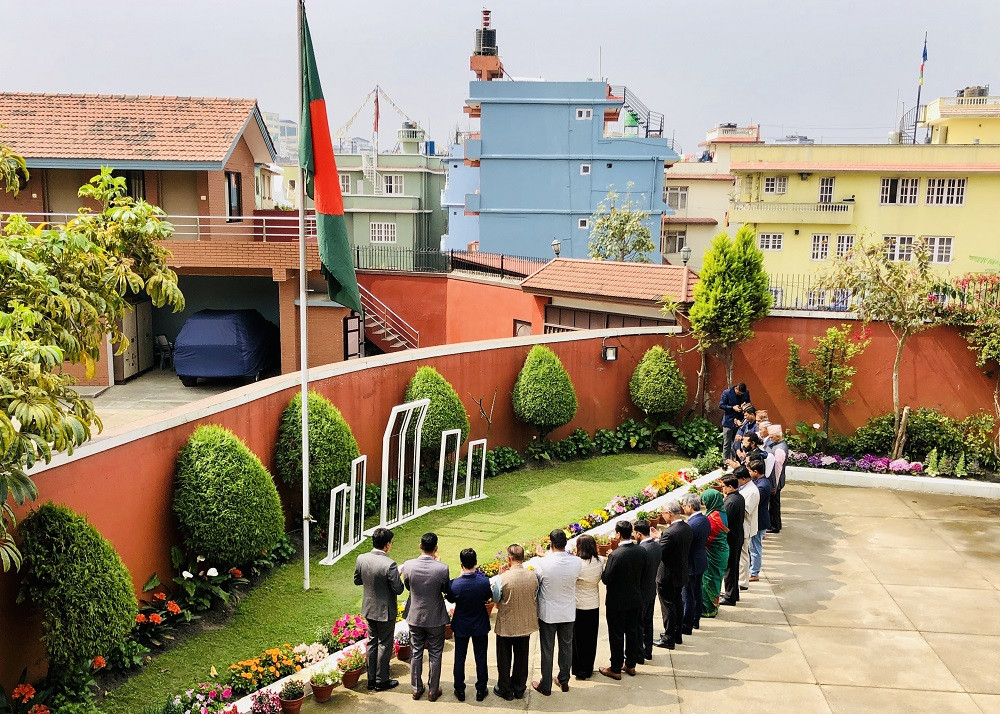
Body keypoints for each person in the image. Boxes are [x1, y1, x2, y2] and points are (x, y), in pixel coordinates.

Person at [531, 529, 582, 696]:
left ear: (551, 544)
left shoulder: (543, 564)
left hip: (549, 613)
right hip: (567, 611)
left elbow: (539, 581)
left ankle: (546, 684)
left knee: (547, 650)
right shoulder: (576, 562)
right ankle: (564, 679)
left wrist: (542, 558)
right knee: (566, 648)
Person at [400, 532, 450, 701]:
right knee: (435, 653)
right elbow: (445, 589)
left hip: (415, 615)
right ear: (436, 548)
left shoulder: (408, 565)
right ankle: (433, 690)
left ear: (420, 546)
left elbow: (408, 586)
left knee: (416, 651)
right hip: (435, 616)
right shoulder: (442, 568)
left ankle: (416, 688)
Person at [354, 527, 405, 692]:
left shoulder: (361, 558)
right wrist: (397, 574)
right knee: (384, 644)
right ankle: (381, 681)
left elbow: (357, 580)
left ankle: (371, 680)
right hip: (385, 611)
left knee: (372, 642)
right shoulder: (390, 565)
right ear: (387, 545)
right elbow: (398, 589)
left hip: (369, 608)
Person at [489, 544, 538, 701]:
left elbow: (496, 599)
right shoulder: (533, 576)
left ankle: (505, 688)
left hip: (506, 624)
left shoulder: (502, 578)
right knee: (522, 657)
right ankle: (519, 688)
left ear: (509, 559)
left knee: (504, 658)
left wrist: (500, 576)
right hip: (525, 622)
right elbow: (534, 594)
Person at [599, 521, 647, 681]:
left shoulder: (616, 555)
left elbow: (606, 579)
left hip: (617, 602)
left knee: (617, 635)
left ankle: (615, 668)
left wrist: (608, 563)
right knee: (632, 632)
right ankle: (631, 664)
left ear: (619, 534)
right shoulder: (641, 551)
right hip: (635, 599)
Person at [447, 548, 492, 702]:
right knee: (481, 658)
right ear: (476, 562)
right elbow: (487, 597)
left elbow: (451, 600)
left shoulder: (455, 584)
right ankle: (481, 689)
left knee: (460, 658)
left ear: (461, 564)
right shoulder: (483, 582)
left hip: (461, 625)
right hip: (479, 624)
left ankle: (459, 690)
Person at [653, 501, 691, 649]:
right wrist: (661, 537)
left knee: (667, 606)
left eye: (663, 513)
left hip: (668, 575)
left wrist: (656, 540)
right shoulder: (686, 528)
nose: (663, 516)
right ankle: (676, 634)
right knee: (677, 603)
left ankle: (668, 638)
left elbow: (660, 552)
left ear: (669, 513)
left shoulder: (670, 533)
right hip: (680, 572)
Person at [571, 534, 604, 680]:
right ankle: (588, 668)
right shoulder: (600, 560)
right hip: (593, 604)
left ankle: (579, 669)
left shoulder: (576, 563)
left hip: (578, 605)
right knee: (590, 639)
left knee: (577, 639)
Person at [699, 488, 730, 618]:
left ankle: (708, 609)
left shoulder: (713, 518)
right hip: (721, 551)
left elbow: (707, 538)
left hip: (714, 553)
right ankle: (713, 605)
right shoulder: (721, 512)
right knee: (715, 580)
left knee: (710, 579)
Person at [681, 494, 709, 635]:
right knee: (696, 592)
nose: (683, 508)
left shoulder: (692, 525)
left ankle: (687, 624)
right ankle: (695, 619)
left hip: (691, 563)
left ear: (690, 507)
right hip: (700, 560)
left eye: (684, 505)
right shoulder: (704, 519)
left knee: (688, 595)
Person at [634, 520, 662, 663]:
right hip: (651, 590)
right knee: (647, 623)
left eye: (634, 533)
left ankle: (639, 654)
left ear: (639, 533)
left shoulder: (641, 551)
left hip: (641, 593)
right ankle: (647, 651)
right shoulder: (657, 546)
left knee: (638, 624)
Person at [719, 475, 745, 607]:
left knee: (729, 568)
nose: (722, 489)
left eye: (723, 486)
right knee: (733, 566)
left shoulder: (731, 502)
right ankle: (733, 593)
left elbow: (724, 522)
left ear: (730, 487)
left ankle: (730, 596)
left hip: (731, 539)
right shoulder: (738, 497)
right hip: (737, 536)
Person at [735, 466, 760, 592]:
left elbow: (746, 511)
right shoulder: (744, 488)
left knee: (743, 555)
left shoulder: (752, 492)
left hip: (746, 526)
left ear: (744, 479)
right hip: (741, 526)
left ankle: (743, 582)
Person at [748, 459, 772, 583]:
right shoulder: (760, 482)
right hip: (759, 520)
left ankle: (754, 572)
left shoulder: (762, 486)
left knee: (755, 547)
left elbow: (755, 502)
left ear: (756, 472)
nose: (749, 473)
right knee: (753, 546)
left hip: (759, 521)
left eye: (750, 471)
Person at [765, 424, 789, 533]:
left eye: (771, 437)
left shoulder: (780, 449)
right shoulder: (777, 445)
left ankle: (775, 526)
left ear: (778, 437)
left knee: (774, 504)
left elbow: (778, 469)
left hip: (776, 480)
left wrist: (775, 485)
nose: (770, 439)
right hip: (775, 480)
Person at [719, 382, 751, 460]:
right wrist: (732, 407)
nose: (740, 395)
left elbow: (749, 403)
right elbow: (721, 405)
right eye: (739, 393)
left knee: (738, 442)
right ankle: (725, 462)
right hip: (728, 421)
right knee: (727, 443)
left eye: (741, 394)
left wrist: (745, 406)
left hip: (740, 421)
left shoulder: (746, 393)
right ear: (736, 388)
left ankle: (737, 461)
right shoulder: (727, 392)